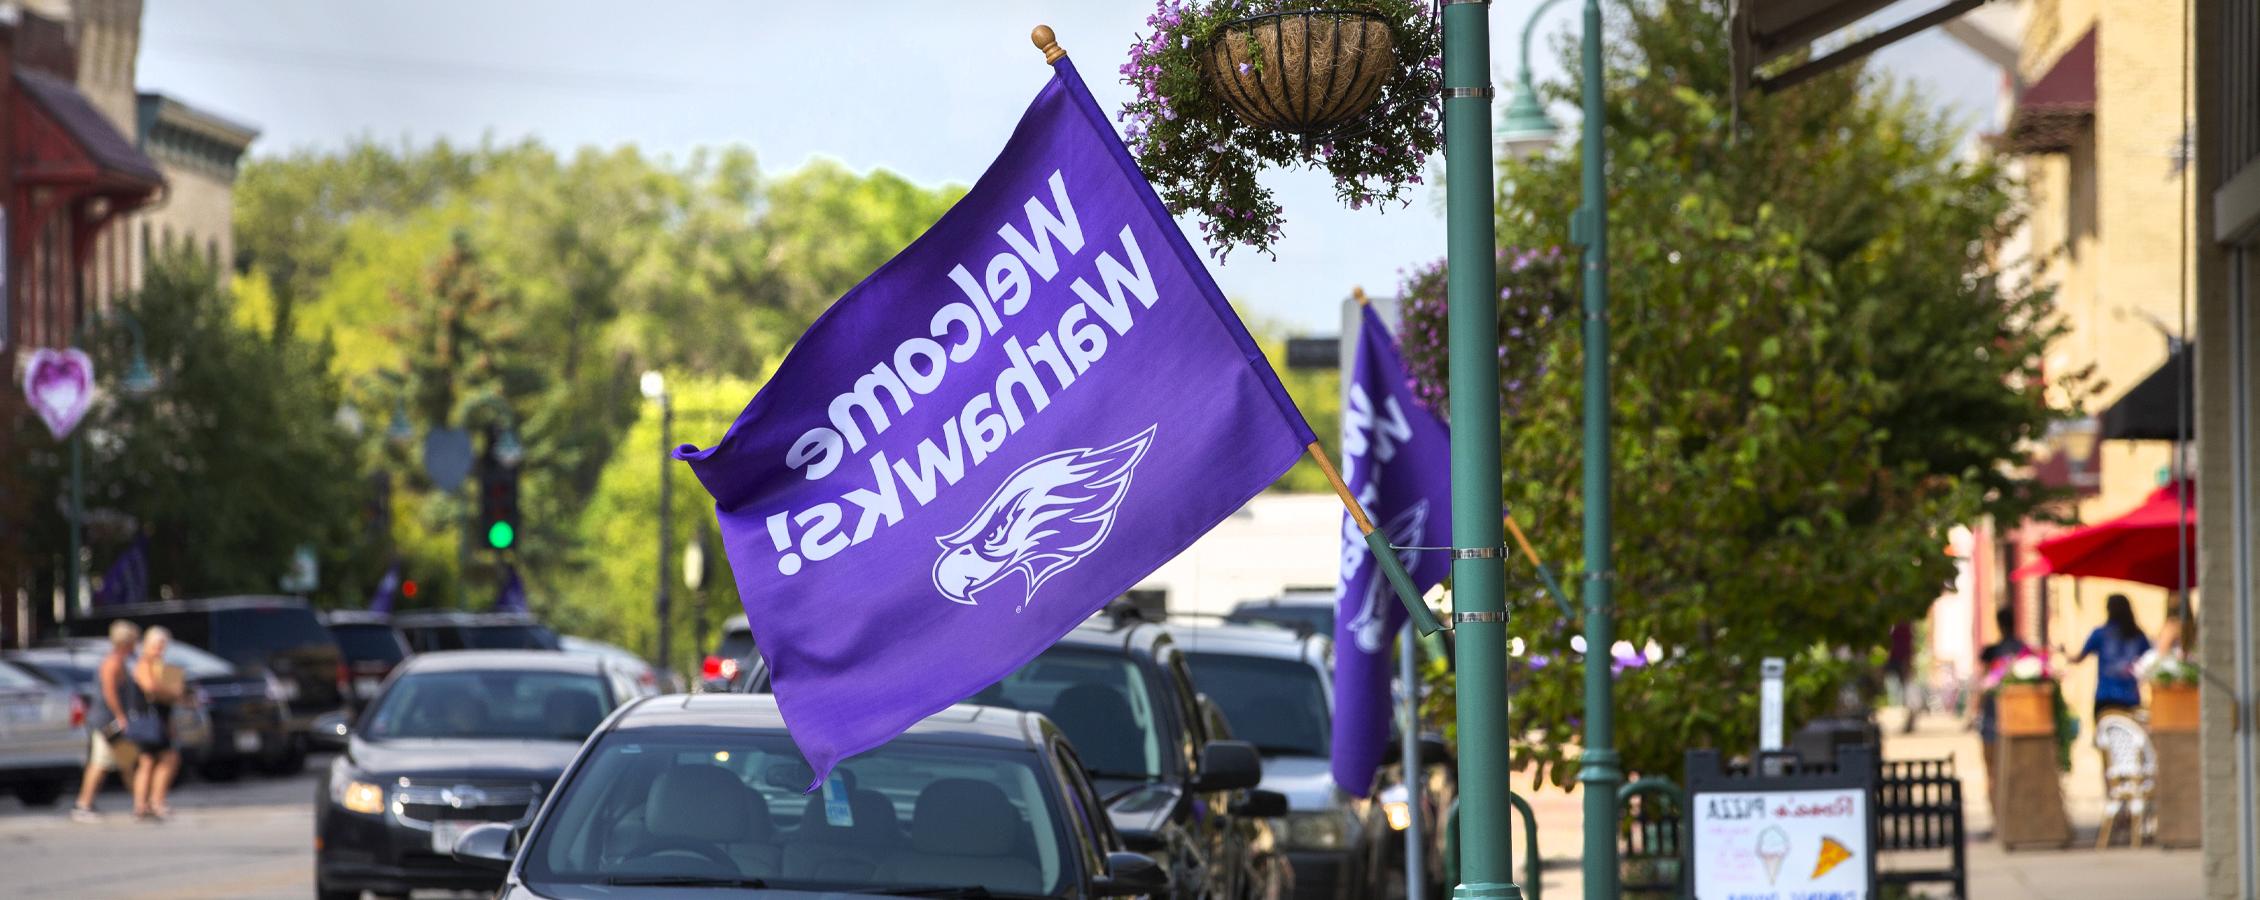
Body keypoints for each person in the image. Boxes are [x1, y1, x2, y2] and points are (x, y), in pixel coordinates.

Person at [70, 620, 141, 822]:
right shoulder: (113, 662)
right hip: (106, 721)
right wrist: (120, 715)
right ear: (126, 641)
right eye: (134, 640)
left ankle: (142, 803)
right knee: (100, 763)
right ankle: (83, 805)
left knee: (127, 761)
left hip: (107, 719)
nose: (136, 644)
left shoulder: (118, 660)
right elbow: (109, 691)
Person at [126, 626, 183, 821]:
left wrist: (167, 691)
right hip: (146, 720)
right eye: (157, 644)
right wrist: (167, 691)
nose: (160, 648)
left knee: (155, 760)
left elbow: (176, 693)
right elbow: (150, 687)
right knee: (155, 760)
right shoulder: (144, 663)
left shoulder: (165, 665)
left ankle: (150, 802)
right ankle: (149, 803)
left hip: (161, 719)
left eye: (163, 645)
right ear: (147, 645)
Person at [2069, 593, 2154, 720]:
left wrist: (2064, 653)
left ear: (2108, 609)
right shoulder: (2138, 635)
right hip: (2130, 697)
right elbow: (2151, 660)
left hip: (2105, 696)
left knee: (2104, 735)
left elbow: (2078, 658)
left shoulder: (2100, 634)